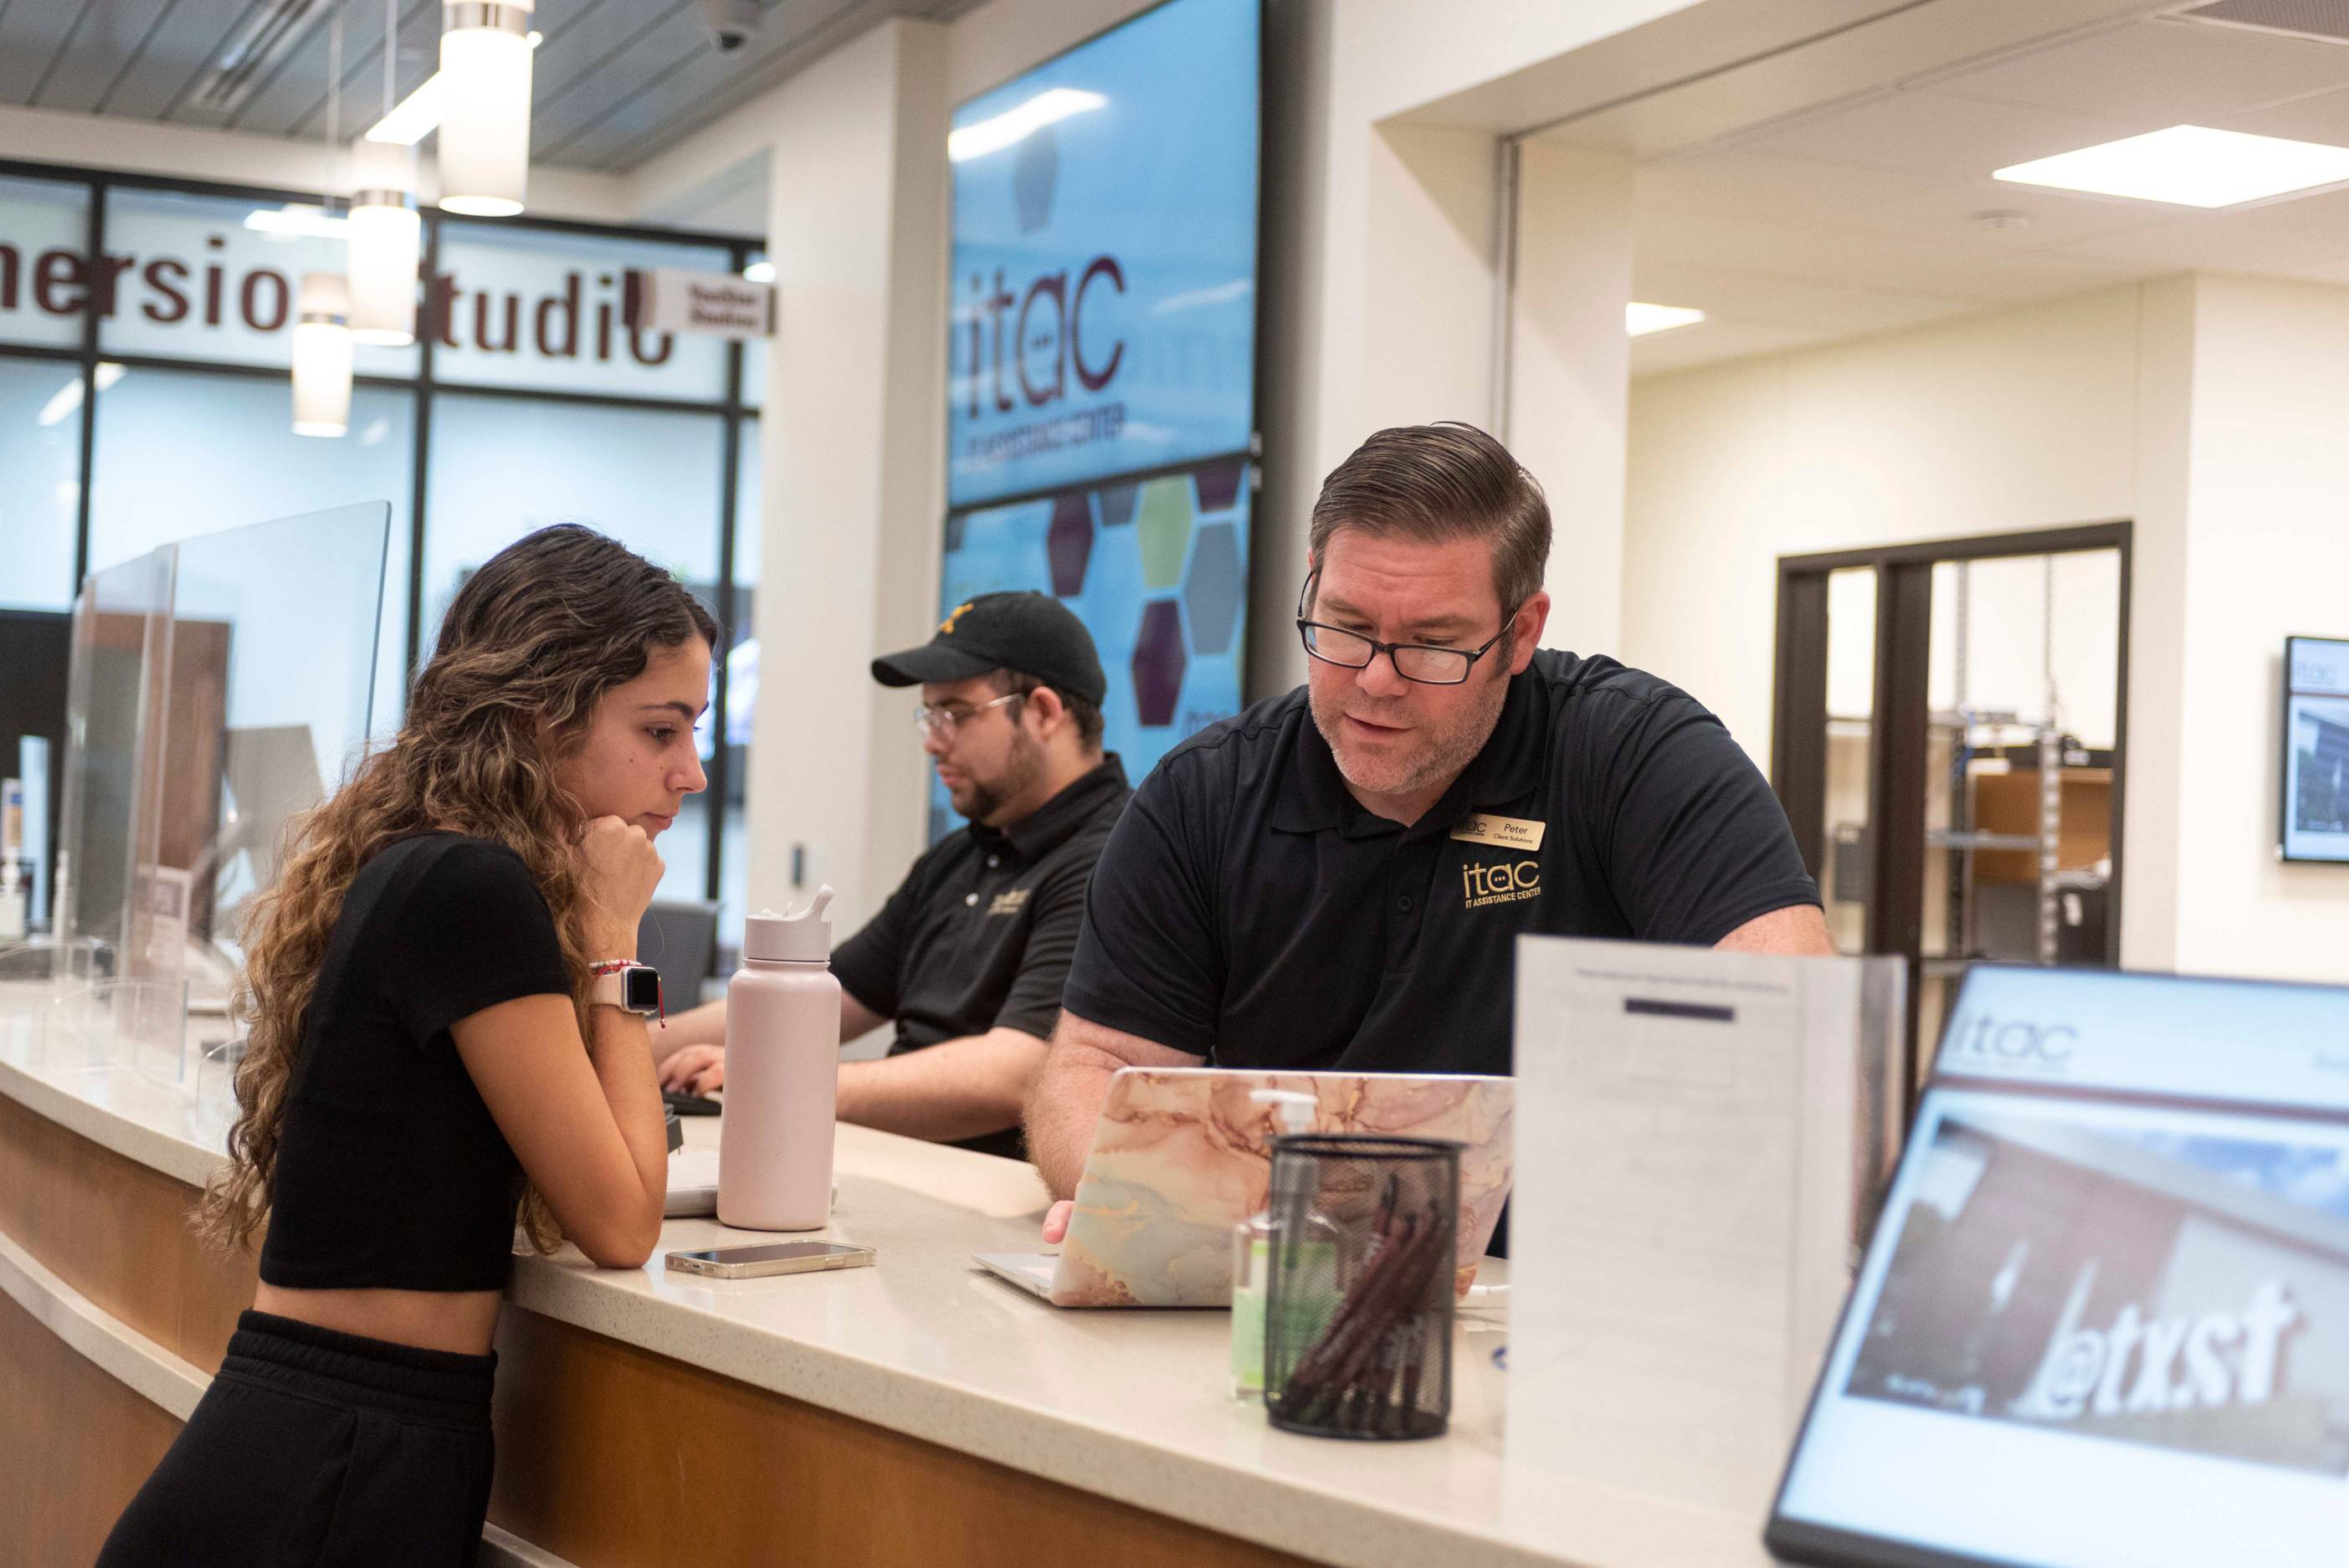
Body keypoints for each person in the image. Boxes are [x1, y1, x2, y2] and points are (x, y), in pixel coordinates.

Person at [1027, 423, 1833, 1235]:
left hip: (1567, 1289)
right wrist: (1149, 1205)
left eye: (1431, 644)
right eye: (1342, 626)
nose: (1376, 680)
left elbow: (1790, 1030)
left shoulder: (1634, 754)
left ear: (1519, 634)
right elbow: (1093, 1066)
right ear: (1310, 587)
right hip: (1277, 1276)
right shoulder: (1203, 795)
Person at [98, 525, 712, 1568]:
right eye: (660, 730)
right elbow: (620, 1217)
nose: (689, 773)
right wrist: (619, 947)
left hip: (336, 1433)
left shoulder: (434, 863)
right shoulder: (474, 887)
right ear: (538, 711)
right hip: (341, 1451)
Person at [655, 592, 1129, 1161]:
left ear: (1045, 712)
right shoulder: (958, 858)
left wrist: (776, 1080)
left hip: (1007, 1198)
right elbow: (818, 996)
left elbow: (1018, 1075)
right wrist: (623, 1045)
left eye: (954, 713)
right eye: (929, 715)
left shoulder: (1118, 859)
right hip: (908, 1165)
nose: (932, 740)